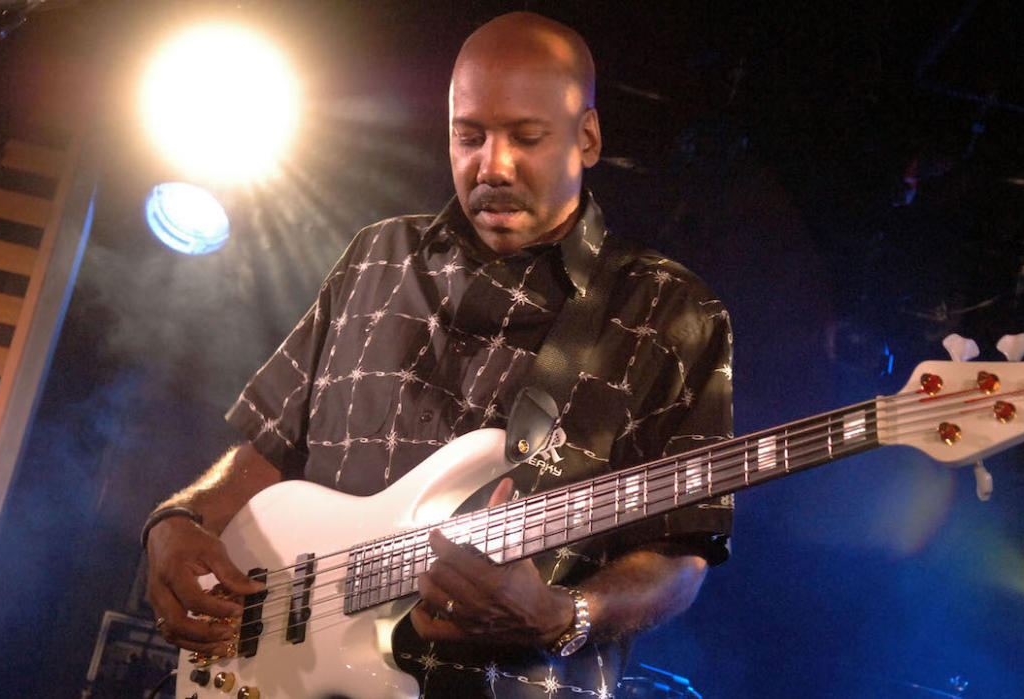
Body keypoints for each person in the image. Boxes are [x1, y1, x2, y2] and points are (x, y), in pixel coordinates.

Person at [142, 11, 734, 697]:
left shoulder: (673, 311)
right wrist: (178, 519)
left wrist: (564, 615)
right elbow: (268, 453)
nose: (493, 164)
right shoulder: (377, 257)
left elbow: (680, 552)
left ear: (588, 137)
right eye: (469, 135)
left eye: (527, 136)